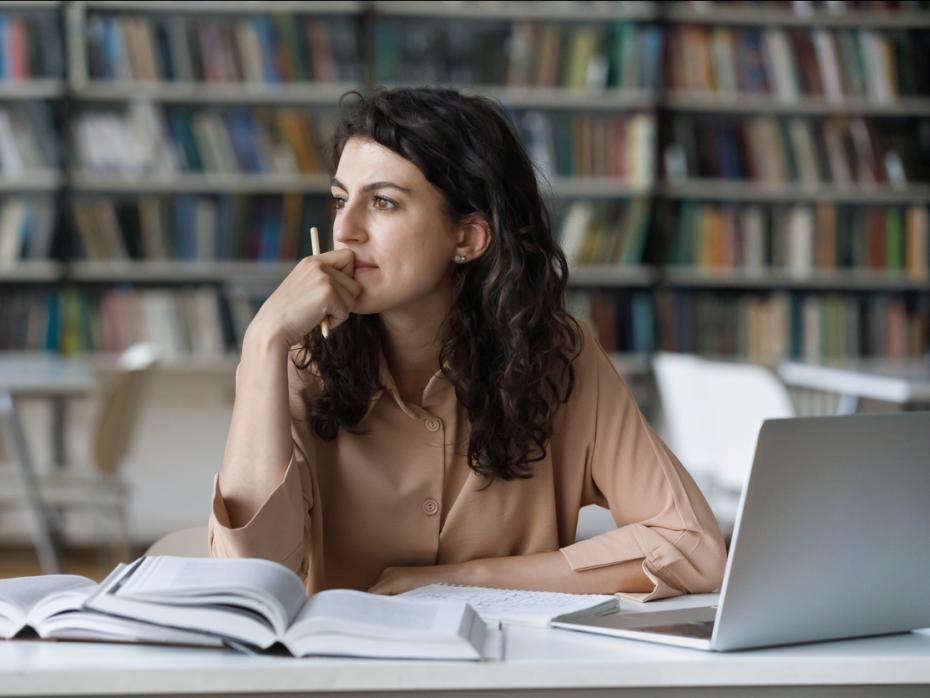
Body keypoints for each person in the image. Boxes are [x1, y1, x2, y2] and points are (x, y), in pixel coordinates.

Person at [209, 87, 726, 600]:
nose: (345, 230)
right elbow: (249, 583)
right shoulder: (300, 360)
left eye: (383, 202)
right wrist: (263, 342)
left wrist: (467, 577)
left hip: (513, 673)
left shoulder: (559, 358)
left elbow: (694, 547)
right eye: (341, 200)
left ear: (468, 237)